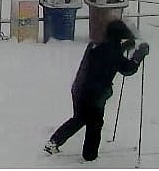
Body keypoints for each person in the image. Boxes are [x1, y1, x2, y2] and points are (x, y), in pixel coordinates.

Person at [44, 19, 150, 161]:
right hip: (94, 94)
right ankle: (90, 157)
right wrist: (138, 56)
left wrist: (124, 47)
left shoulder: (97, 44)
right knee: (95, 124)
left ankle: (54, 142)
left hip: (79, 88)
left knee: (80, 118)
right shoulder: (111, 51)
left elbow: (108, 55)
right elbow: (128, 69)